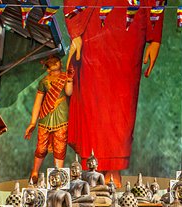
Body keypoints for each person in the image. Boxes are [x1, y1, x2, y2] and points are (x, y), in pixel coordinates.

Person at [64, 0, 163, 186]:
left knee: (123, 100)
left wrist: (155, 36)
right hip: (94, 21)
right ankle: (93, 168)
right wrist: (75, 31)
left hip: (131, 23)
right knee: (93, 96)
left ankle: (114, 169)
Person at [25, 56, 74, 183]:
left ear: (60, 63)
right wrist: (32, 123)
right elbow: (38, 102)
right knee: (41, 147)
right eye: (50, 63)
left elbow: (69, 93)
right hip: (46, 115)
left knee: (60, 145)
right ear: (47, 69)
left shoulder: (65, 77)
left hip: (61, 115)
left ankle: (59, 174)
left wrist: (69, 80)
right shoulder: (44, 81)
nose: (53, 64)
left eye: (55, 61)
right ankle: (35, 171)